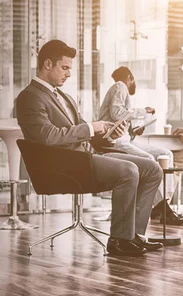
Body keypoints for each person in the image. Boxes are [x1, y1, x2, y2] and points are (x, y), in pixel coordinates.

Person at [15, 39, 164, 257]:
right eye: (64, 68)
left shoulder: (64, 96)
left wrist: (109, 133)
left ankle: (134, 236)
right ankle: (120, 240)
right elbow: (47, 137)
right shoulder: (29, 97)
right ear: (47, 64)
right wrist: (90, 128)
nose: (68, 74)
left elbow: (87, 133)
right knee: (129, 170)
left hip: (85, 157)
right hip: (63, 166)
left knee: (152, 168)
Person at [98, 66, 183, 226]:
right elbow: (117, 113)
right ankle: (162, 207)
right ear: (130, 77)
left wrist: (135, 130)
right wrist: (143, 111)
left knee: (166, 154)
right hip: (115, 142)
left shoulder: (119, 89)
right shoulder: (120, 85)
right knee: (150, 160)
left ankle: (163, 203)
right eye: (134, 80)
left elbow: (119, 119)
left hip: (126, 139)